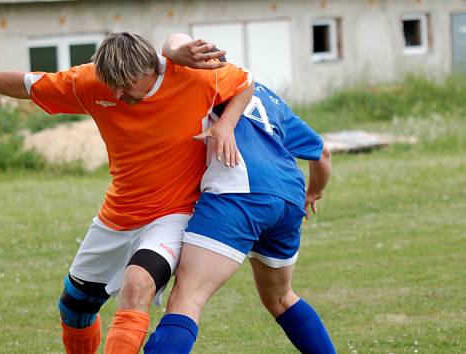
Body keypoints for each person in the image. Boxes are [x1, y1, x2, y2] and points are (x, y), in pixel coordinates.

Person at [0, 31, 253, 354]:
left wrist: (225, 125)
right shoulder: (91, 82)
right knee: (75, 310)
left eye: (126, 85)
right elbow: (26, 83)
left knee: (137, 285)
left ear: (151, 68)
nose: (119, 94)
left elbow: (244, 82)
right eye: (114, 86)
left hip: (173, 214)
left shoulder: (195, 78)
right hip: (117, 216)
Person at [144, 34, 335, 353]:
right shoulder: (270, 99)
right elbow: (323, 154)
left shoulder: (210, 79)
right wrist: (313, 193)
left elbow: (174, 41)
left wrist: (178, 49)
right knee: (281, 298)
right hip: (287, 196)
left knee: (186, 298)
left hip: (241, 191)